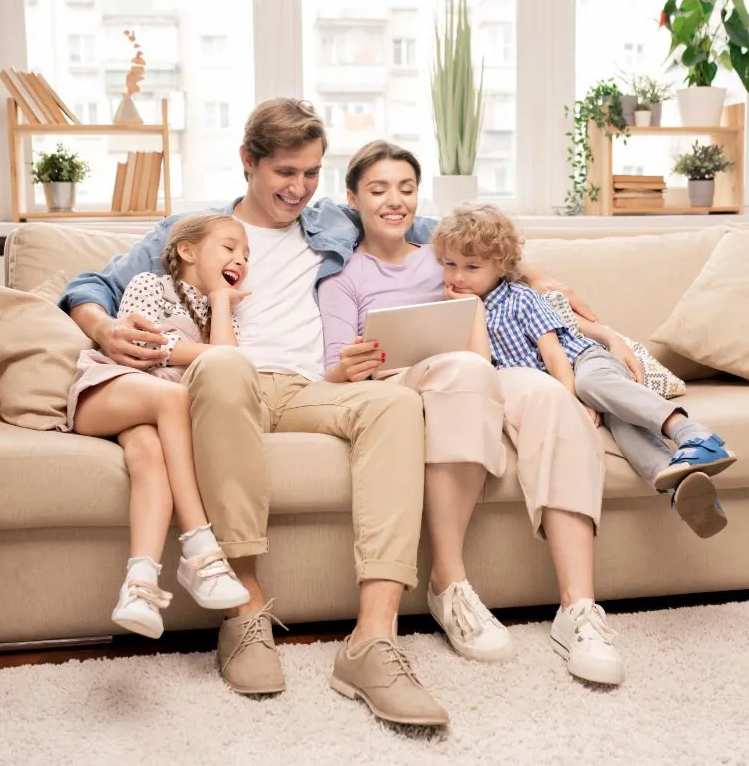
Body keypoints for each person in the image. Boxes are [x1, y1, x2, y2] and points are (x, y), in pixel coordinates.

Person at [59, 99, 599, 726]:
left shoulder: (330, 223)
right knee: (226, 365)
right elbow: (91, 283)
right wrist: (99, 327)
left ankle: (373, 640)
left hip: (307, 386)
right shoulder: (197, 227)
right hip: (228, 379)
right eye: (285, 172)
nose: (298, 188)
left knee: (395, 405)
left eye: (311, 172)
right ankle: (245, 614)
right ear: (247, 162)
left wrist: (535, 272)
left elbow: (433, 229)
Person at [319, 140, 624, 685]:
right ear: (352, 198)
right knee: (464, 370)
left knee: (553, 397)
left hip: (487, 369)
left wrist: (568, 303)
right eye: (379, 189)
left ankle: (578, 609)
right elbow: (333, 372)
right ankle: (449, 585)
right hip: (404, 380)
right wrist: (353, 364)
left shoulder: (442, 253)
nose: (396, 201)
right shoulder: (344, 277)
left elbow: (496, 253)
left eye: (407, 189)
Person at [433, 203, 738, 542]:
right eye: (450, 264)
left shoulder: (519, 297)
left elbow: (553, 353)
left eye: (471, 266)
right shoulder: (458, 309)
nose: (458, 276)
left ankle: (692, 433)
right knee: (623, 426)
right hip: (554, 389)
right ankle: (681, 485)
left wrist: (572, 399)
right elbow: (480, 367)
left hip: (582, 363)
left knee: (592, 384)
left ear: (500, 266)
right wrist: (473, 309)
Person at [65, 213, 253, 639]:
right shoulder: (151, 284)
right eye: (229, 248)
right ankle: (201, 550)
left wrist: (222, 301)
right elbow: (148, 347)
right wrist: (207, 348)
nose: (240, 260)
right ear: (186, 251)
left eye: (246, 255)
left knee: (149, 455)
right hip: (111, 390)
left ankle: (140, 586)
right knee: (174, 396)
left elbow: (227, 359)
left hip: (151, 414)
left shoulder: (217, 309)